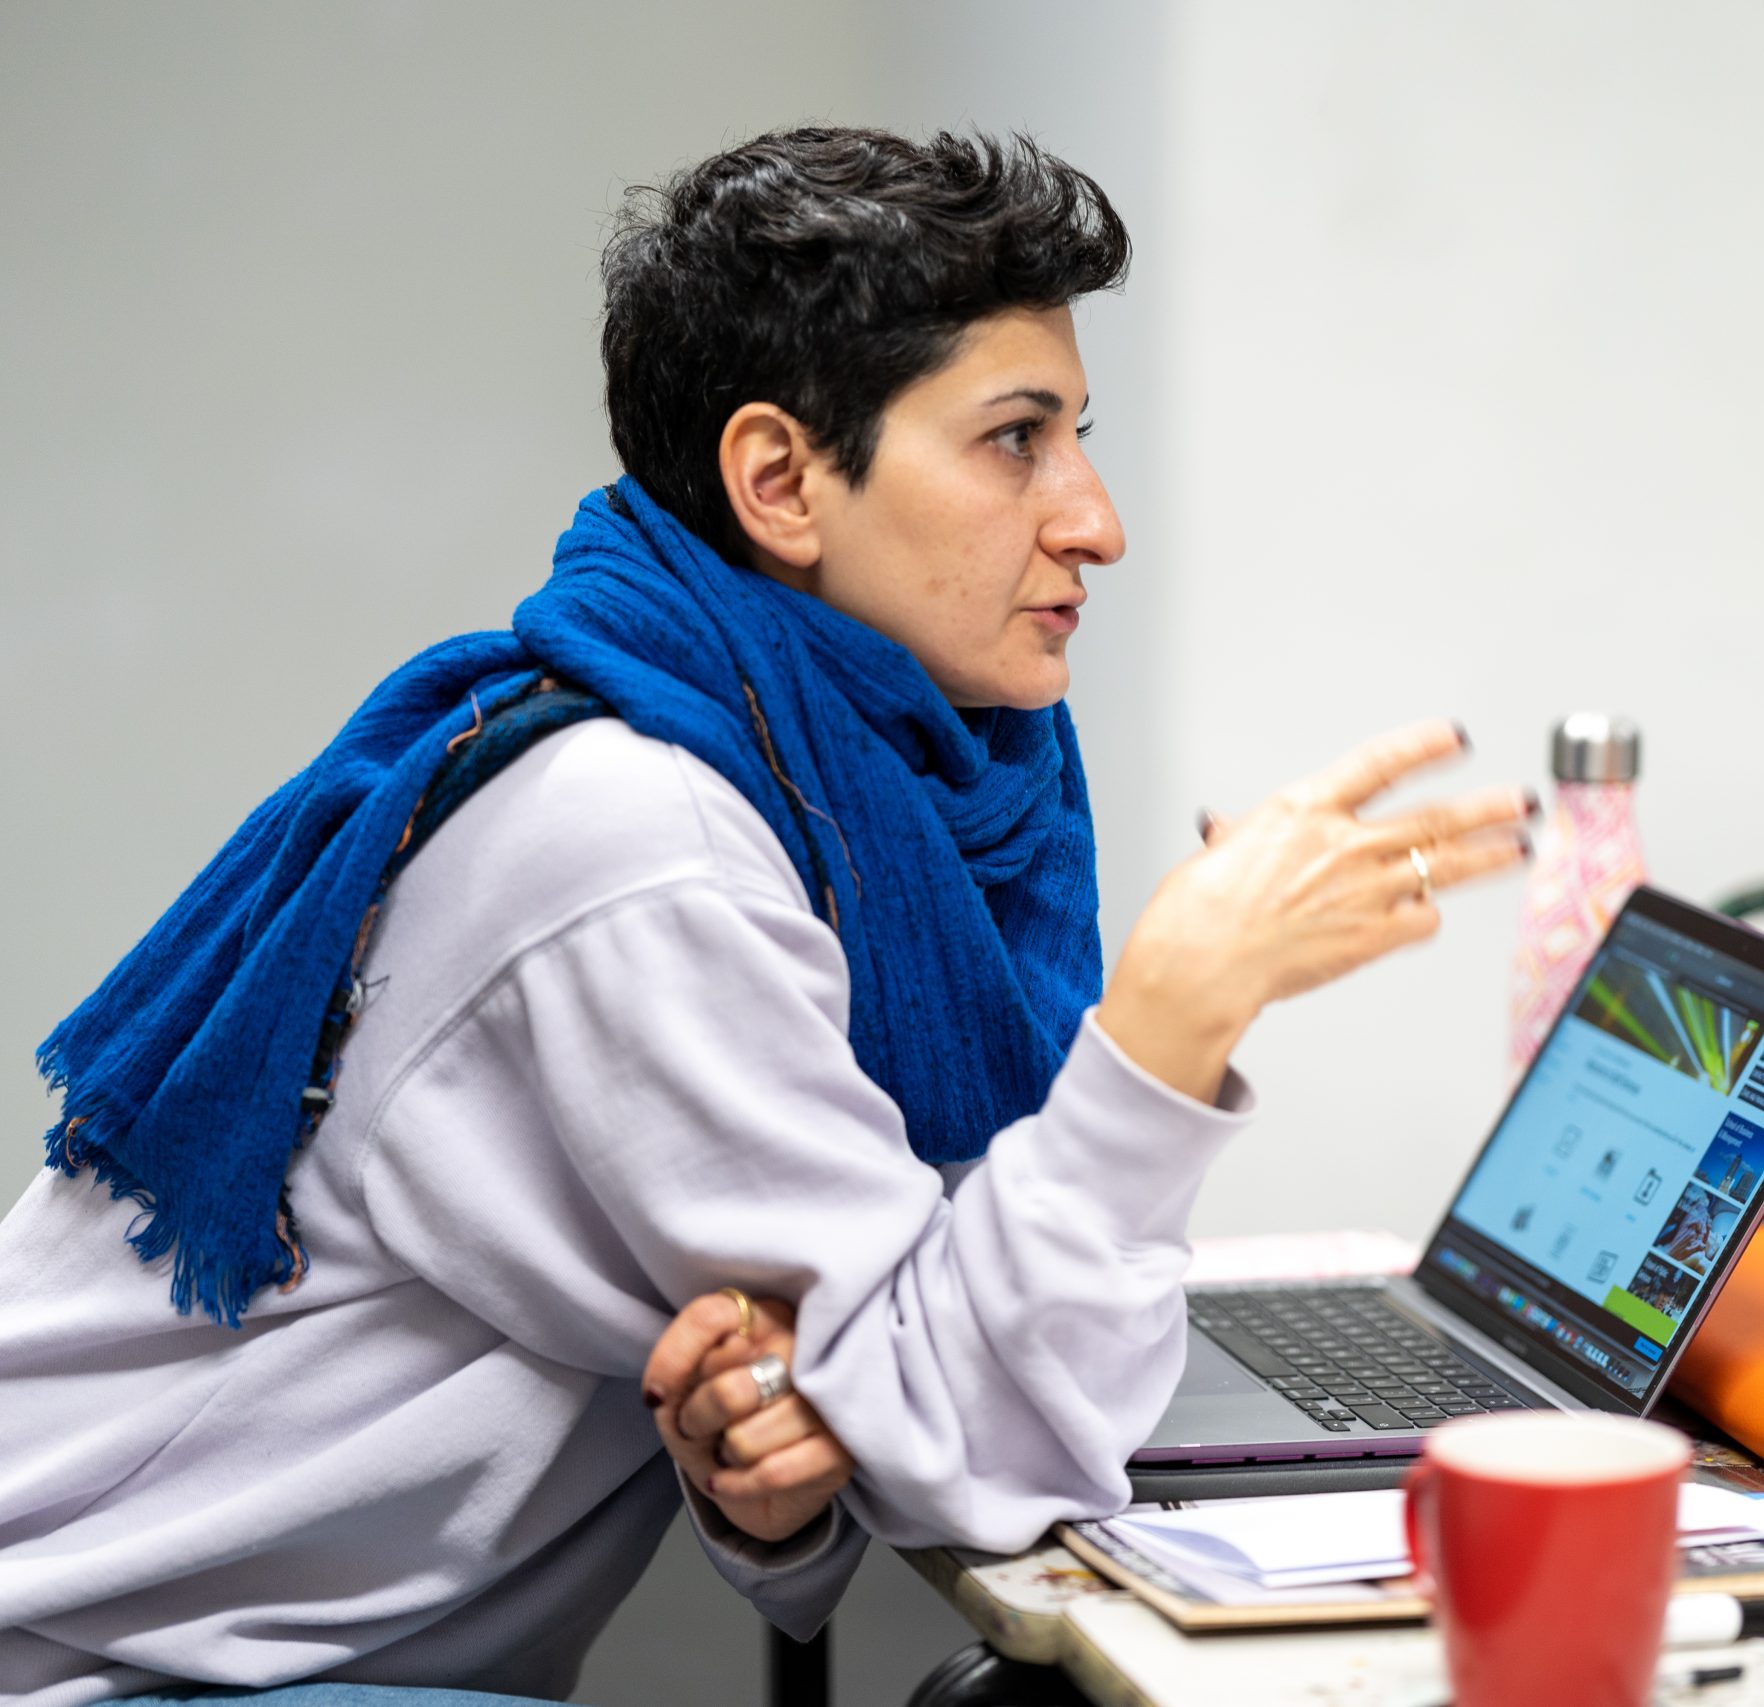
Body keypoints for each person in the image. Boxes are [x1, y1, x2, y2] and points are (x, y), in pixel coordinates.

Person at [0, 128, 1532, 1705]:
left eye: (1079, 435)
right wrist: (1166, 1030)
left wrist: (789, 1455)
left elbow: (868, 1384)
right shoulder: (643, 842)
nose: (1094, 520)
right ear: (782, 482)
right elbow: (975, 1450)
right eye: (1015, 441)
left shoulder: (866, 788)